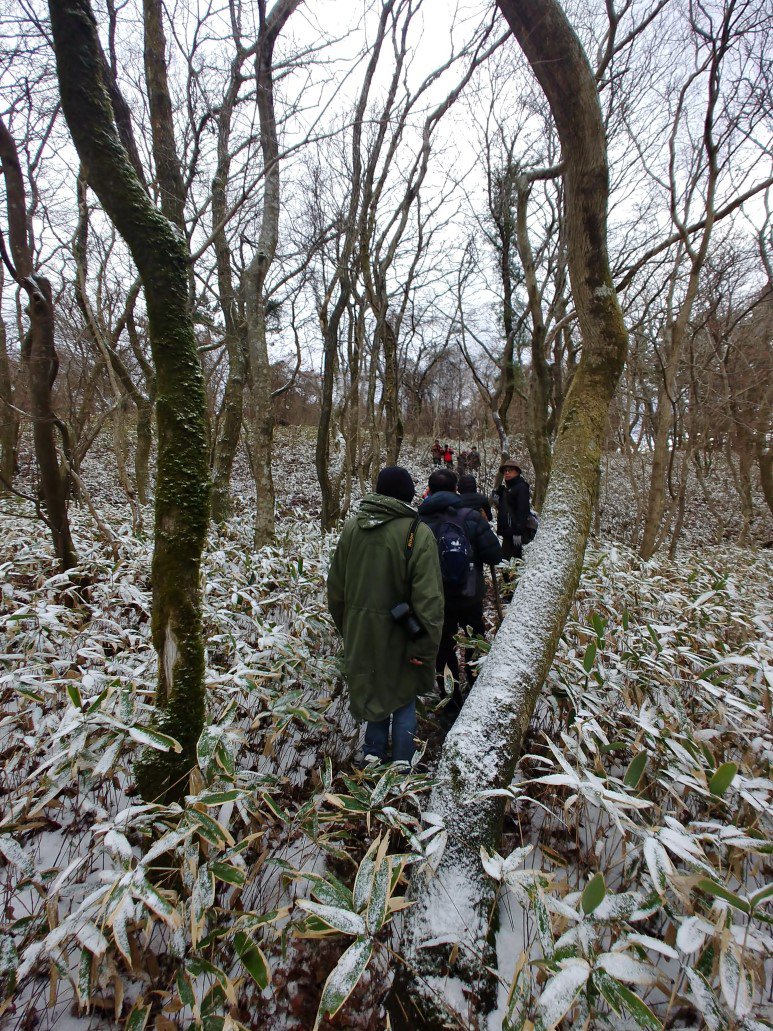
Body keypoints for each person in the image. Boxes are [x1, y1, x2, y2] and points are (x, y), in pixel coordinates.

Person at [327, 466, 444, 765]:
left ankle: (373, 757)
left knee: (375, 692)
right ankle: (402, 767)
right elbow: (429, 599)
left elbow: (336, 588)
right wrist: (424, 647)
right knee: (403, 698)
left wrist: (349, 628)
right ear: (408, 495)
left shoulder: (352, 527)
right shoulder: (418, 533)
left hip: (361, 631)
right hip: (404, 634)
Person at [418, 469, 502, 720]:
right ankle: (477, 691)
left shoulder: (419, 521)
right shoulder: (471, 517)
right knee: (474, 641)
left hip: (435, 599)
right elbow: (495, 555)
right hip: (470, 595)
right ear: (456, 489)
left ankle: (450, 701)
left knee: (443, 649)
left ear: (429, 490)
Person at [494, 459, 531, 561]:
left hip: (514, 532)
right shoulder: (508, 488)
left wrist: (518, 532)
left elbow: (523, 510)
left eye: (510, 470)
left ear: (517, 472)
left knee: (510, 561)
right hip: (508, 531)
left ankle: (513, 577)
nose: (506, 473)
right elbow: (502, 509)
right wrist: (498, 496)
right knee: (509, 561)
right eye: (505, 470)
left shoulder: (521, 487)